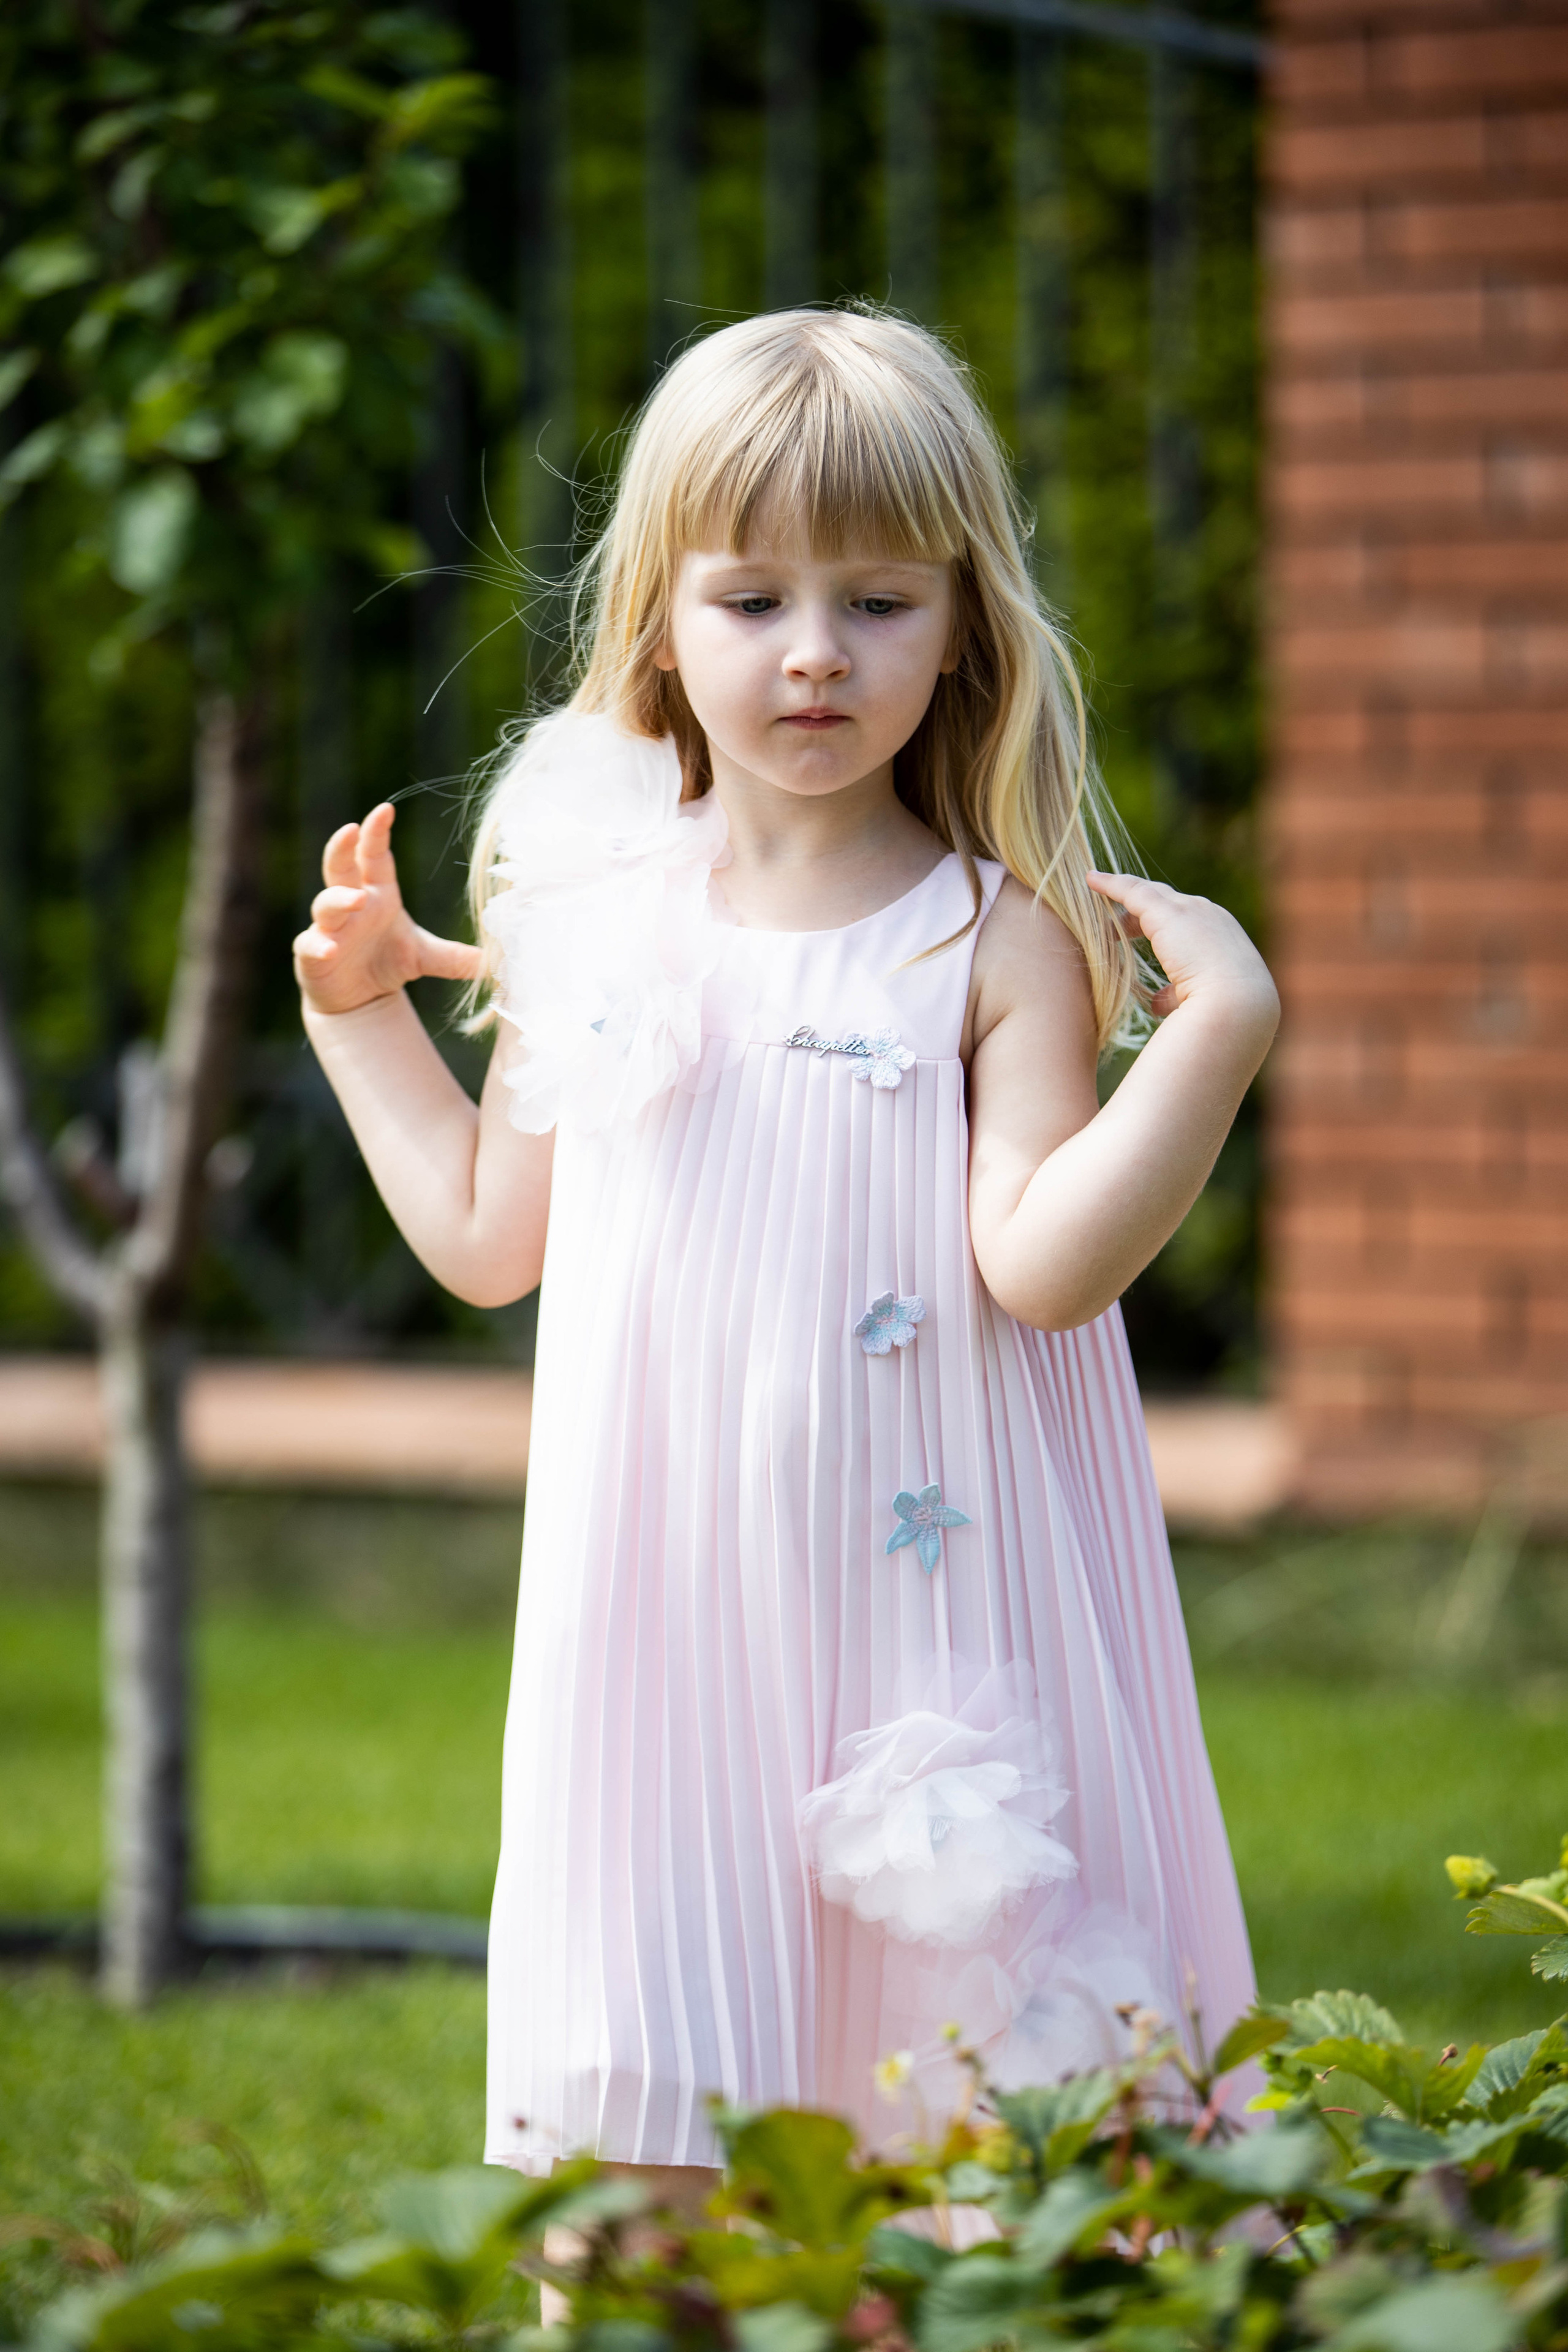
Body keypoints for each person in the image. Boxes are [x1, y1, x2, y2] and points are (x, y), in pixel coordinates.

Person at [293, 308, 1278, 2215]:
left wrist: (1216, 1033)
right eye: (753, 598)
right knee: (641, 2164)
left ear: (964, 628)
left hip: (909, 1632)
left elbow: (1049, 1264)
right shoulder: (582, 899)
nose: (816, 649)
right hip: (662, 1640)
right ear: (660, 619)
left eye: (881, 600)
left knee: (949, 2147)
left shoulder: (993, 943)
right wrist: (361, 1025)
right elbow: (493, 1242)